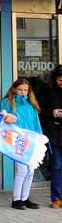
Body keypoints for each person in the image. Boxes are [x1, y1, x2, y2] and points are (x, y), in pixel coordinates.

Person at [1, 78, 43, 210]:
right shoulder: (7, 102)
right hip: (16, 139)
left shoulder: (31, 104)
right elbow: (3, 118)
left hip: (31, 139)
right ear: (14, 89)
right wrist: (6, 117)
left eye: (25, 90)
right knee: (22, 169)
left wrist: (40, 138)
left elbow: (36, 122)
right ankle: (16, 199)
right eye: (20, 90)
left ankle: (25, 198)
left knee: (30, 170)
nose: (23, 92)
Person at [42, 65, 62, 209]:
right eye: (60, 80)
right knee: (56, 166)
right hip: (54, 131)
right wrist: (52, 112)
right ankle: (57, 197)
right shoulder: (48, 92)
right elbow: (40, 109)